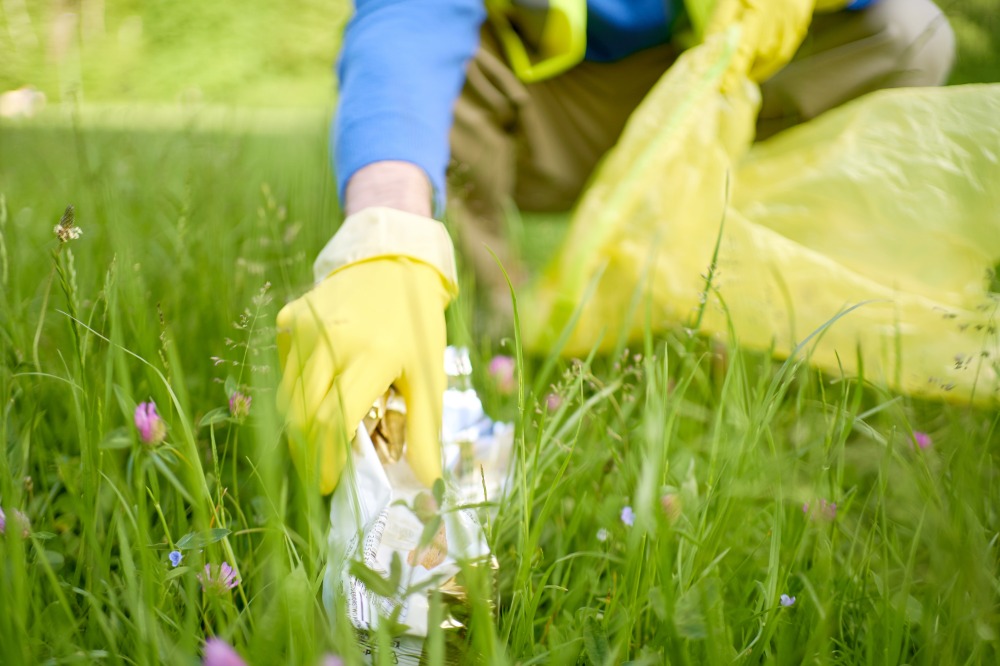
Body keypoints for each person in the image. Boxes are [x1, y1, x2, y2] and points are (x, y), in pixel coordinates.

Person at [276, 0, 956, 495]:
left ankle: (775, 326)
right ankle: (487, 343)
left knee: (907, 29)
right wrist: (385, 229)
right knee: (408, 105)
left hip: (733, 68)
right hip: (552, 95)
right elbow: (407, 21)